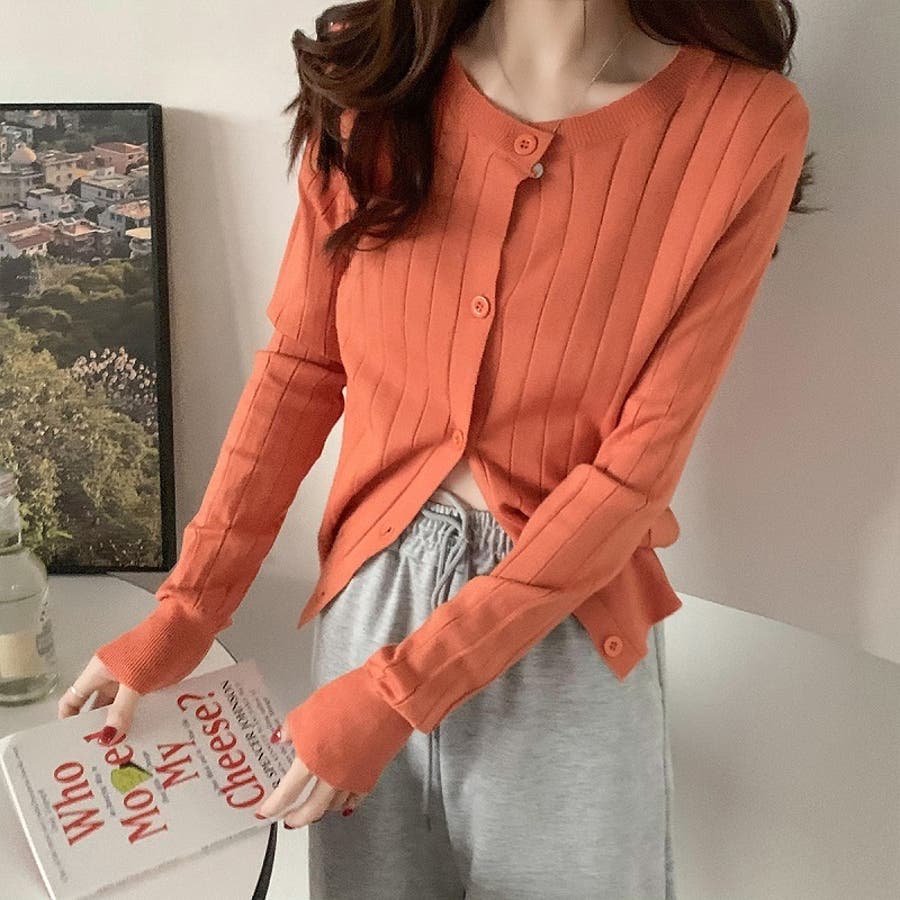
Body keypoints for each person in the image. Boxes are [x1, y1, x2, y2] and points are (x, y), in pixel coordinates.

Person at [59, 1, 814, 897]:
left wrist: (395, 696)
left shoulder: (742, 124)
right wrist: (185, 614)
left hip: (566, 627)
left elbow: (632, 476)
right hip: (371, 597)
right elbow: (301, 369)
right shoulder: (375, 83)